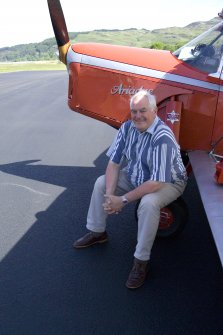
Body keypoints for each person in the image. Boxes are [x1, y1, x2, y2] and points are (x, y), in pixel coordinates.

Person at [73, 89, 187, 289]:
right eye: (134, 111)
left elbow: (156, 183)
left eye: (142, 110)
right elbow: (114, 164)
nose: (137, 116)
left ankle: (141, 262)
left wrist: (123, 200)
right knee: (101, 182)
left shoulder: (163, 137)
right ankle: (98, 232)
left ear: (154, 111)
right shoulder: (127, 128)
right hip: (137, 175)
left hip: (169, 182)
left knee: (149, 203)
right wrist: (110, 196)